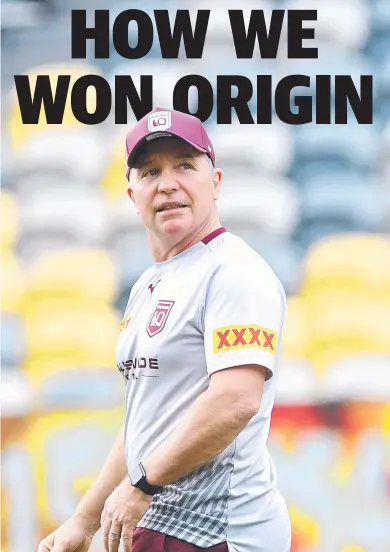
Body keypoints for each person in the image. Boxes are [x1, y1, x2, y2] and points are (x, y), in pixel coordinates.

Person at [37, 107, 291, 552]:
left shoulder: (234, 271)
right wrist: (83, 520)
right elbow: (145, 423)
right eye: (151, 170)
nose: (168, 183)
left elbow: (235, 400)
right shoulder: (149, 283)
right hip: (158, 525)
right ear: (132, 192)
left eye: (185, 166)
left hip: (217, 534)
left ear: (216, 182)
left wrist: (140, 488)